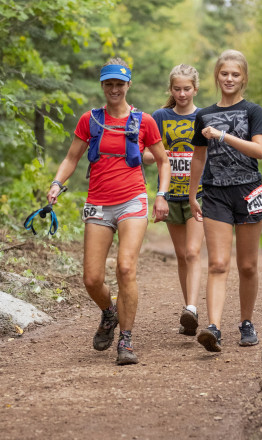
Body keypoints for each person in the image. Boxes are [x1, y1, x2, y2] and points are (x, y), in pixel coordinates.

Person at [47, 58, 170, 365]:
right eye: (109, 84)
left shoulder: (144, 121)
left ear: (128, 85)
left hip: (132, 200)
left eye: (120, 84)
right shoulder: (90, 119)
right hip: (99, 203)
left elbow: (163, 161)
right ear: (103, 86)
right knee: (91, 279)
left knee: (126, 268)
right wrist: (56, 183)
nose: (114, 89)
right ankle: (109, 313)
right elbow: (71, 158)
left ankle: (126, 341)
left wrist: (162, 195)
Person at [189, 49, 262, 352]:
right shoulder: (204, 115)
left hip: (249, 192)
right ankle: (214, 328)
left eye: (235, 74)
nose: (229, 78)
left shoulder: (253, 111)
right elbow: (198, 157)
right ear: (217, 76)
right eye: (224, 73)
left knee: (247, 266)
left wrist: (222, 136)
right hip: (215, 193)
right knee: (218, 263)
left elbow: (259, 151)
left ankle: (246, 322)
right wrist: (191, 193)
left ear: (244, 78)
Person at [143, 64, 204, 336]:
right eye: (177, 89)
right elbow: (144, 153)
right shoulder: (160, 116)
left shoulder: (204, 116)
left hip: (200, 195)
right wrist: (163, 155)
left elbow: (212, 153)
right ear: (171, 89)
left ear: (195, 89)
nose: (182, 94)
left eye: (187, 89)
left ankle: (192, 308)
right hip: (169, 195)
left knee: (193, 252)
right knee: (181, 256)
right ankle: (187, 311)